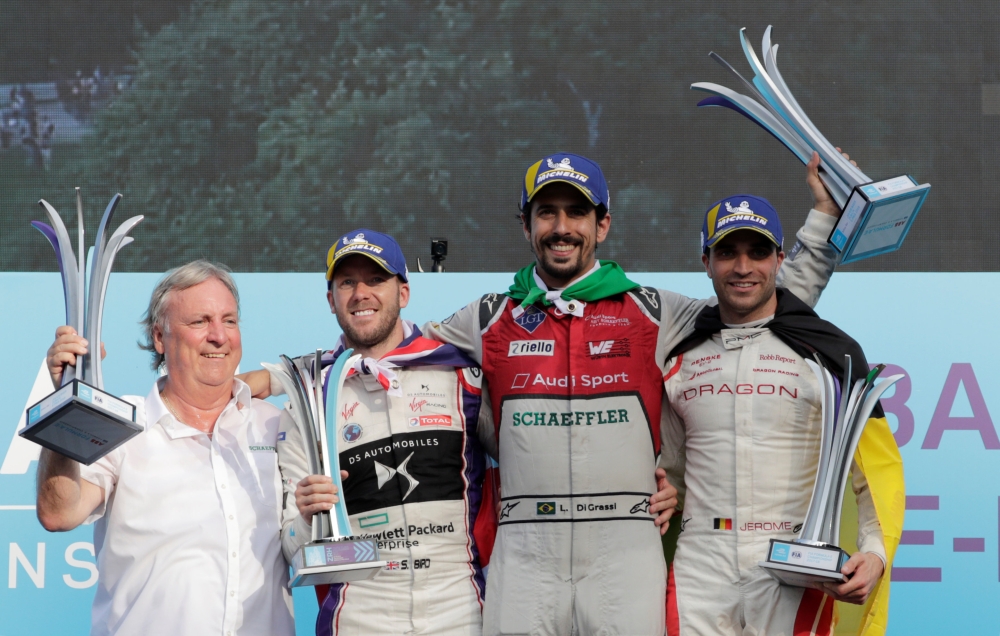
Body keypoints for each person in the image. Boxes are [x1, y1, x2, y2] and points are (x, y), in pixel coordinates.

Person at [423, 151, 845, 635]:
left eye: (577, 212)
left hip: (624, 552)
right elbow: (400, 358)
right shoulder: (486, 319)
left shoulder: (654, 311)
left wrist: (823, 220)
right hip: (525, 553)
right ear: (526, 225)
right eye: (547, 213)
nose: (562, 227)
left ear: (602, 225)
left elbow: (761, 299)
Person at [249, 229, 678, 635]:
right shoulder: (306, 400)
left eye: (375, 279)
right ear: (330, 299)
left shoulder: (461, 375)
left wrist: (647, 480)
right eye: (346, 283)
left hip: (460, 608)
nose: (361, 293)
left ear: (403, 291)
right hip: (359, 614)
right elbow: (291, 547)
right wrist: (307, 518)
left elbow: (546, 442)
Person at [660, 195, 905, 635]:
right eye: (727, 253)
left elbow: (875, 475)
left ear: (777, 259)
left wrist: (875, 553)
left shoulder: (829, 354)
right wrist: (658, 488)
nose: (742, 267)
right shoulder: (680, 353)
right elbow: (671, 471)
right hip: (699, 561)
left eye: (757, 252)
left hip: (793, 560)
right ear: (706, 260)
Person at [38, 260, 294, 636]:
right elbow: (59, 514)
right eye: (199, 321)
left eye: (229, 320)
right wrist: (66, 403)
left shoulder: (275, 426)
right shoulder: (122, 425)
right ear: (160, 336)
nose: (219, 336)